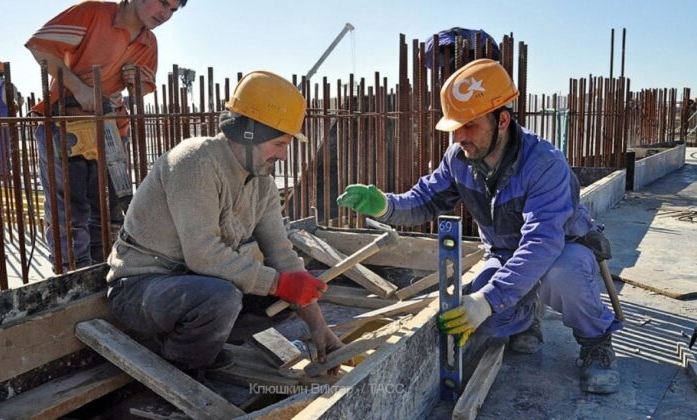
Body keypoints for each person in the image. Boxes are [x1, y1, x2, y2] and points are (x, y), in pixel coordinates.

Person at [337, 59, 623, 394]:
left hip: (561, 250)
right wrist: (387, 206)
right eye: (454, 127)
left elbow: (542, 242)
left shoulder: (544, 163)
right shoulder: (459, 158)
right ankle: (526, 317)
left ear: (502, 121)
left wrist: (488, 299)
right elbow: (427, 200)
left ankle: (596, 341)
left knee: (561, 276)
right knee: (486, 316)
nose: (458, 137)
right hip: (503, 253)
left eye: (468, 125)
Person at [105, 71, 344, 375]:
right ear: (250, 133)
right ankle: (178, 373)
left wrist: (318, 326)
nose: (284, 155)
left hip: (193, 285)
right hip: (140, 288)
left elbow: (283, 257)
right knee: (223, 298)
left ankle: (199, 344)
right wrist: (279, 283)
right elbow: (203, 254)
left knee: (282, 297)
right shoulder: (195, 162)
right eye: (279, 144)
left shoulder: (262, 184)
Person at [24, 0, 187, 270]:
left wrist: (135, 84)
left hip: (110, 131)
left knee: (106, 212)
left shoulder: (149, 41)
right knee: (70, 214)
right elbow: (40, 48)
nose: (165, 14)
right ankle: (72, 278)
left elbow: (142, 89)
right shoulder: (93, 14)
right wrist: (78, 88)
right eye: (162, 3)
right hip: (65, 125)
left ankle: (101, 273)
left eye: (172, 10)